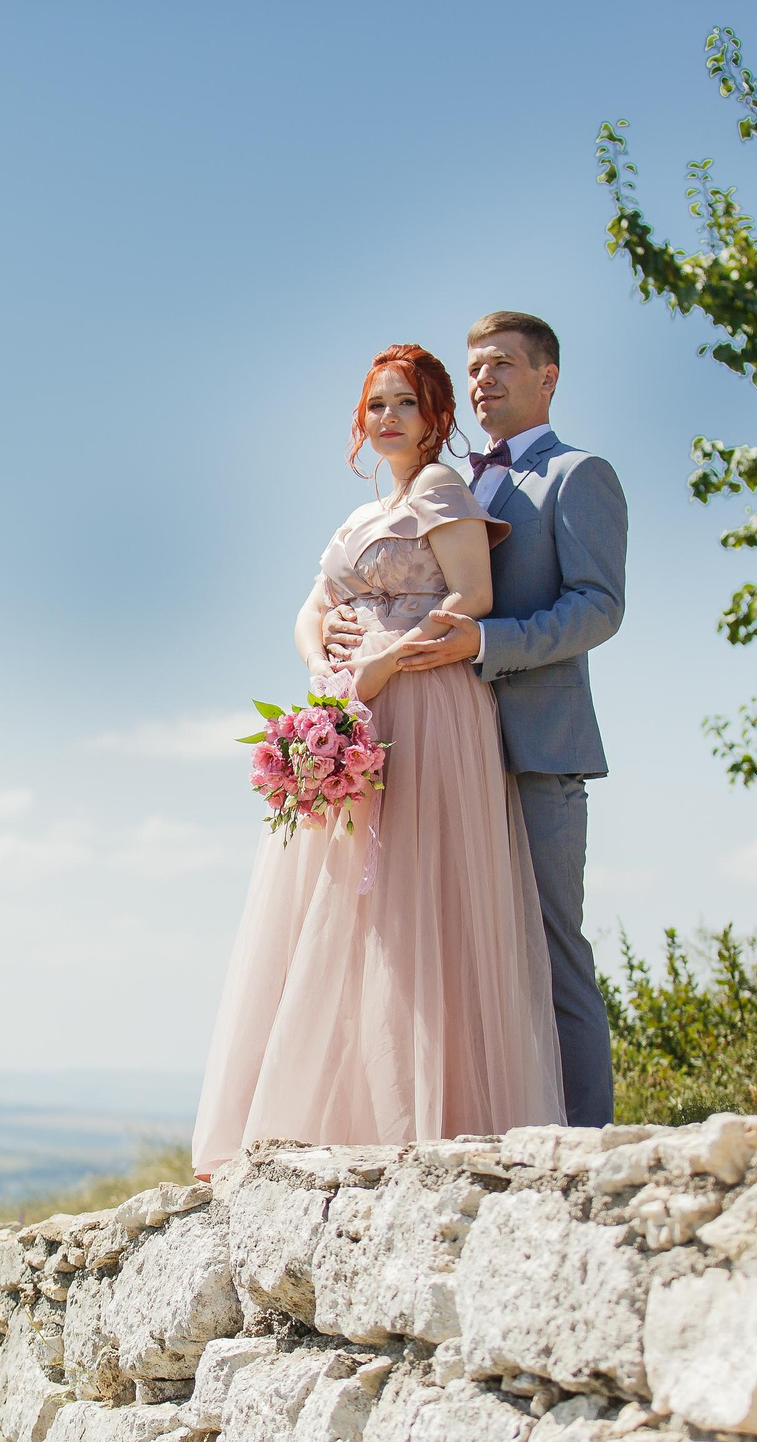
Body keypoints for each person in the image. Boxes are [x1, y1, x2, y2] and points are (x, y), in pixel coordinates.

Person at [188, 343, 564, 1179]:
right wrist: (322, 665)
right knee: (346, 908)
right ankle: (343, 1112)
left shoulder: (441, 491)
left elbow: (473, 597)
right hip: (356, 703)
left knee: (418, 897)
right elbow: (311, 606)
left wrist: (385, 660)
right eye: (376, 404)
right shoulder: (360, 515)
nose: (387, 417)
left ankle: (441, 1112)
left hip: (427, 704)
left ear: (435, 418)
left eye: (405, 403)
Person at [361, 311, 625, 1128]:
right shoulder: (450, 481)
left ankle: (586, 1144)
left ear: (547, 378)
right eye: (475, 368)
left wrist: (488, 640)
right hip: (445, 745)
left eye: (503, 365)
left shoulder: (579, 475)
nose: (484, 380)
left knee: (550, 950)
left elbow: (598, 609)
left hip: (536, 747)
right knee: (456, 948)